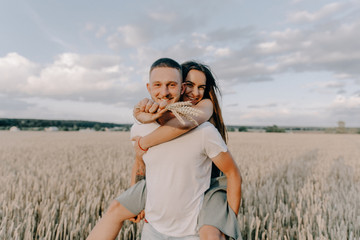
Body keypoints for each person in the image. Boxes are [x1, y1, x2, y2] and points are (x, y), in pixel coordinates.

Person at [87, 58, 242, 240]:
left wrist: (228, 224)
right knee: (114, 210)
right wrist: (137, 199)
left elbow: (186, 123)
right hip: (153, 229)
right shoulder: (139, 128)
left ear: (179, 87)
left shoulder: (204, 127)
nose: (195, 93)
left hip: (190, 231)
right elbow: (140, 164)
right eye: (158, 85)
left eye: (201, 87)